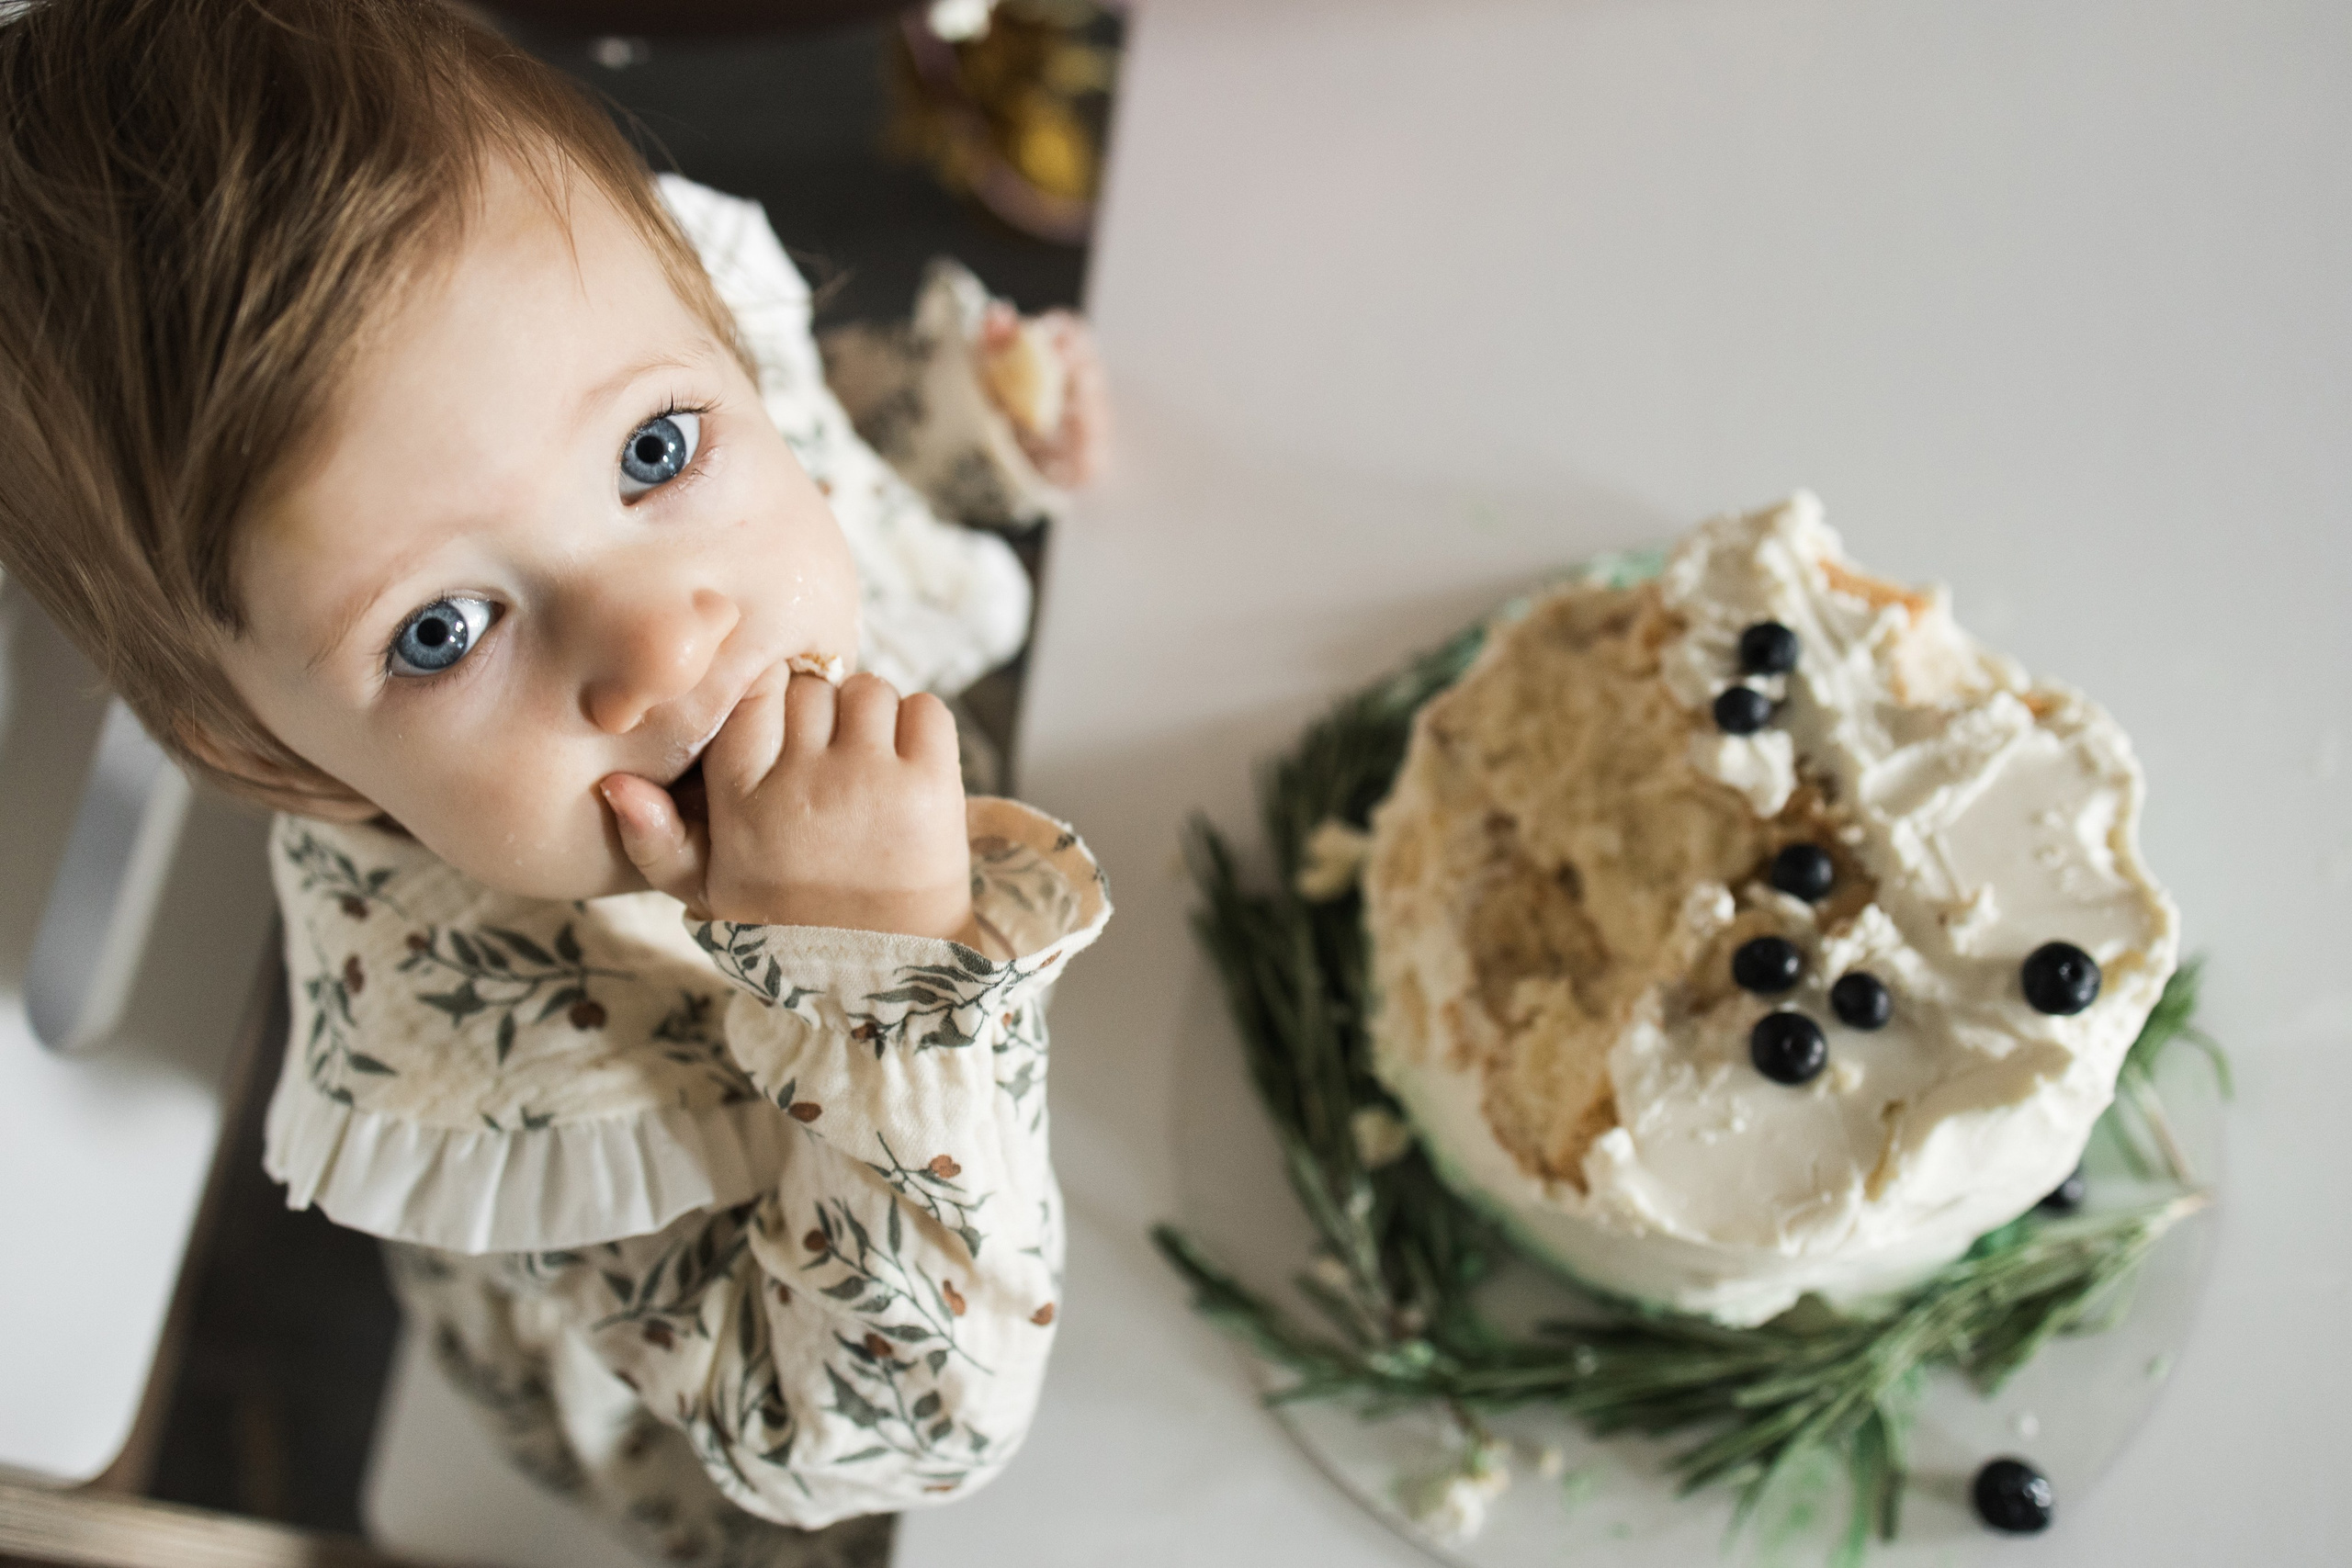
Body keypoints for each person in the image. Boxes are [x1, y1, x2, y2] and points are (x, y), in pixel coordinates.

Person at [0, 2, 1109, 1562]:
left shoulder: (617, 362)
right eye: (443, 632)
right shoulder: (496, 1063)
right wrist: (883, 987)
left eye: (655, 452)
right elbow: (890, 1438)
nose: (659, 644)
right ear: (273, 761)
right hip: (862, 1375)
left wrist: (958, 423)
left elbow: (800, 414)